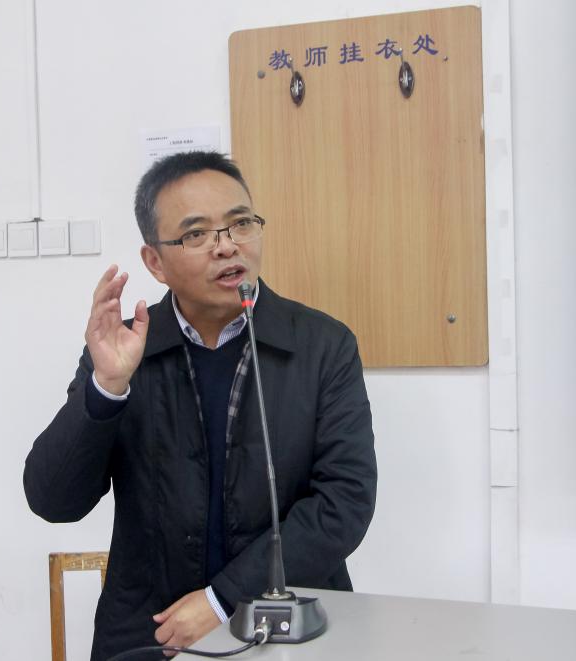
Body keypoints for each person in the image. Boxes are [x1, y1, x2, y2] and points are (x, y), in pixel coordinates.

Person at [23, 151, 376, 660]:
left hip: (286, 621)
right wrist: (106, 388)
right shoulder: (125, 350)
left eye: (241, 223)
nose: (227, 246)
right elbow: (53, 500)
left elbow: (344, 502)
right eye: (196, 234)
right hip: (153, 632)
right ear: (155, 262)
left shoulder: (323, 345)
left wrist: (222, 600)